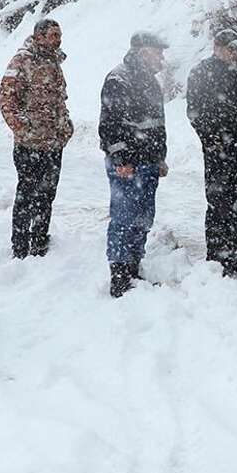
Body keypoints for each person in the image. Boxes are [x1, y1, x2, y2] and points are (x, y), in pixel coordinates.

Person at [100, 31, 170, 297]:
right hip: (128, 165)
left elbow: (157, 126)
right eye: (158, 51)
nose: (161, 57)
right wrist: (121, 159)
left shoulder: (150, 82)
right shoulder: (119, 79)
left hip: (149, 163)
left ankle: (133, 267)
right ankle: (119, 276)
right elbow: (109, 126)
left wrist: (160, 157)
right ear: (143, 52)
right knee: (124, 217)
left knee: (142, 218)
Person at [0, 18, 73, 259]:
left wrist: (65, 127)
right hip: (29, 145)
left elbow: (60, 101)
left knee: (47, 194)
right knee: (27, 194)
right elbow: (7, 101)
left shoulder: (54, 63)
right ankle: (20, 246)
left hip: (53, 143)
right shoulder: (22, 61)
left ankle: (40, 241)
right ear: (39, 36)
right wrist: (24, 130)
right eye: (53, 35)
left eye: (59, 35)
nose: (58, 39)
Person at [186, 27, 237, 275]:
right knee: (218, 201)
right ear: (218, 47)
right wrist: (209, 138)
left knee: (236, 201)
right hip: (216, 149)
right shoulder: (201, 72)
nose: (235, 53)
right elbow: (194, 110)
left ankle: (230, 252)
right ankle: (216, 257)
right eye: (231, 49)